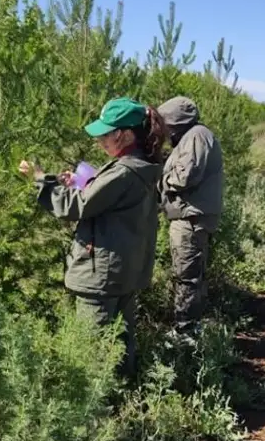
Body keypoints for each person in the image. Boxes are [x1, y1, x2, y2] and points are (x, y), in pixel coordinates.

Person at [19, 97, 167, 378]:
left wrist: (39, 179)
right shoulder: (141, 166)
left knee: (91, 351)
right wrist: (85, 183)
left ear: (124, 134)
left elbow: (74, 207)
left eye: (104, 135)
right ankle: (125, 396)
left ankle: (96, 404)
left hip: (101, 276)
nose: (99, 141)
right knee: (121, 344)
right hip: (125, 271)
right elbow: (109, 200)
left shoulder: (123, 172)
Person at [157, 96, 224, 341]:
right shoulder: (192, 136)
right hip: (191, 217)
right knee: (192, 273)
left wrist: (158, 180)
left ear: (174, 122)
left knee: (186, 275)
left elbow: (185, 177)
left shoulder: (196, 136)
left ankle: (185, 332)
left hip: (190, 219)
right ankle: (192, 327)